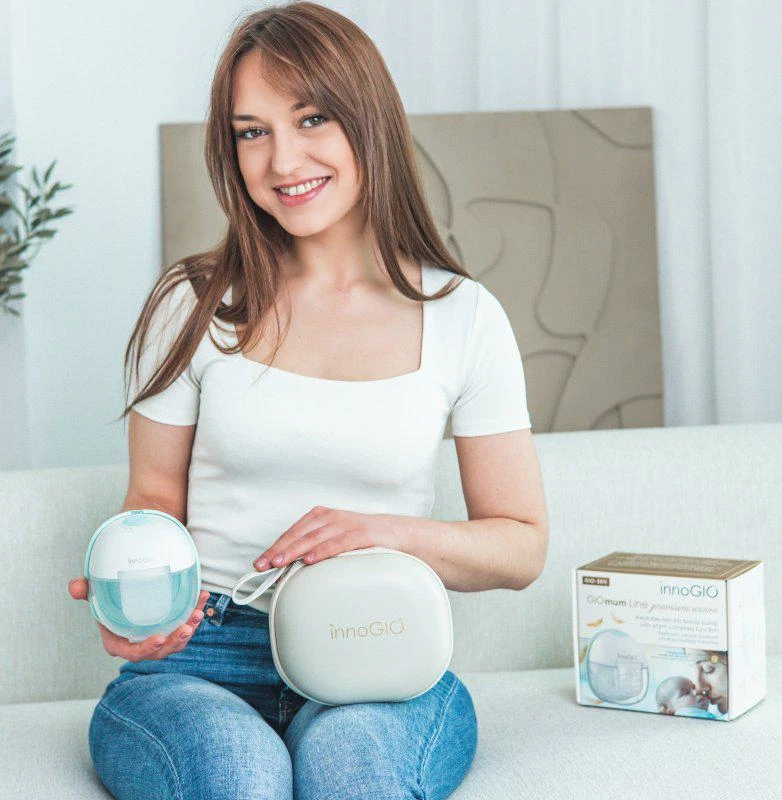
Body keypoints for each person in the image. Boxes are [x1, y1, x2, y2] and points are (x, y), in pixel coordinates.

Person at [67, 2, 549, 798]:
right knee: (239, 775)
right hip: (201, 659)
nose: (282, 159)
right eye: (251, 131)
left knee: (353, 773)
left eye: (311, 118)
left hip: (376, 649)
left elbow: (521, 546)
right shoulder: (195, 304)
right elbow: (152, 498)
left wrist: (381, 533)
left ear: (369, 120)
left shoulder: (464, 317)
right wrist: (138, 606)